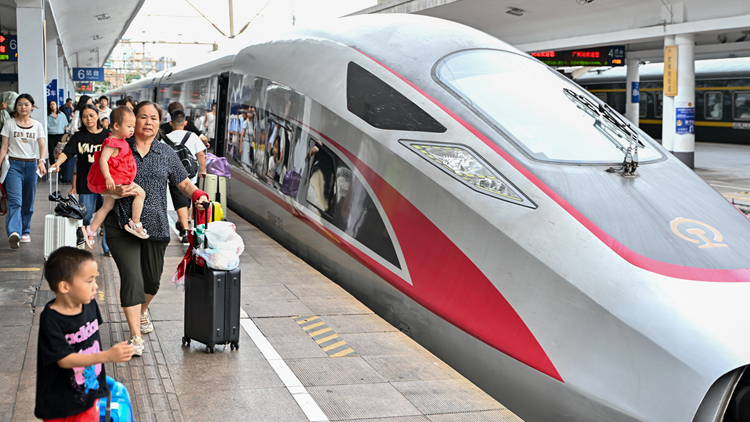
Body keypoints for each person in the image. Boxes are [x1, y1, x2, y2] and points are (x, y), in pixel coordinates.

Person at [103, 101, 209, 356]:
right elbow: (98, 180)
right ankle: (135, 337)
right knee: (132, 277)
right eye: (142, 117)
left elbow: (182, 183)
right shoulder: (118, 147)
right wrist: (112, 189)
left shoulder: (166, 153)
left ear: (159, 122)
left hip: (155, 226)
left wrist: (198, 195)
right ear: (132, 121)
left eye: (153, 118)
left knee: (151, 281)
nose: (148, 122)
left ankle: (141, 311)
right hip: (121, 224)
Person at [34, 247, 135, 421]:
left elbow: (90, 341)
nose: (95, 286)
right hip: (60, 403)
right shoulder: (51, 319)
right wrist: (106, 356)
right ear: (65, 286)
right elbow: (65, 359)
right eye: (89, 281)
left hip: (89, 394)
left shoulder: (89, 304)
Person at [49, 104, 112, 256]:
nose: (88, 119)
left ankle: (108, 247)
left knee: (108, 215)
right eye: (84, 116)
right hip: (87, 182)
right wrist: (58, 163)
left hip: (106, 183)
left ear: (97, 115)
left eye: (91, 115)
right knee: (86, 214)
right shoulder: (79, 137)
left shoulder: (108, 135)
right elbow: (67, 152)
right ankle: (82, 241)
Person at [86, 106, 148, 245]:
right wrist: (108, 177)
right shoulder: (112, 142)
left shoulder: (120, 140)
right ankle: (135, 223)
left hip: (117, 181)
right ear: (116, 125)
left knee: (107, 206)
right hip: (118, 181)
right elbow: (103, 160)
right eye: (129, 126)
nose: (132, 129)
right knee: (141, 194)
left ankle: (90, 231)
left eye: (133, 126)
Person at [0, 94, 46, 249]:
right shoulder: (9, 124)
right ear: (16, 107)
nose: (23, 107)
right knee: (15, 201)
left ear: (32, 106)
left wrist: (41, 161)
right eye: (19, 104)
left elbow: (42, 146)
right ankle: (14, 232)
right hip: (13, 165)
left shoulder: (38, 125)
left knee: (28, 202)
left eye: (26, 104)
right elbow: (4, 147)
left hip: (31, 166)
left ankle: (25, 230)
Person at [165, 109, 206, 244]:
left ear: (170, 122)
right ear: (185, 123)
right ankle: (185, 225)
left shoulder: (166, 138)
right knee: (188, 199)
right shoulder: (192, 136)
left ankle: (185, 228)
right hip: (191, 175)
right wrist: (203, 170)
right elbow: (200, 154)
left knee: (179, 201)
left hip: (173, 175)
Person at [47, 100, 68, 165]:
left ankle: (60, 163)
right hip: (51, 135)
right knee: (51, 150)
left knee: (61, 150)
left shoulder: (62, 114)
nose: (52, 106)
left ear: (56, 105)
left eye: (53, 104)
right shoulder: (48, 115)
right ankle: (53, 164)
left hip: (60, 135)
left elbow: (66, 124)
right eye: (51, 104)